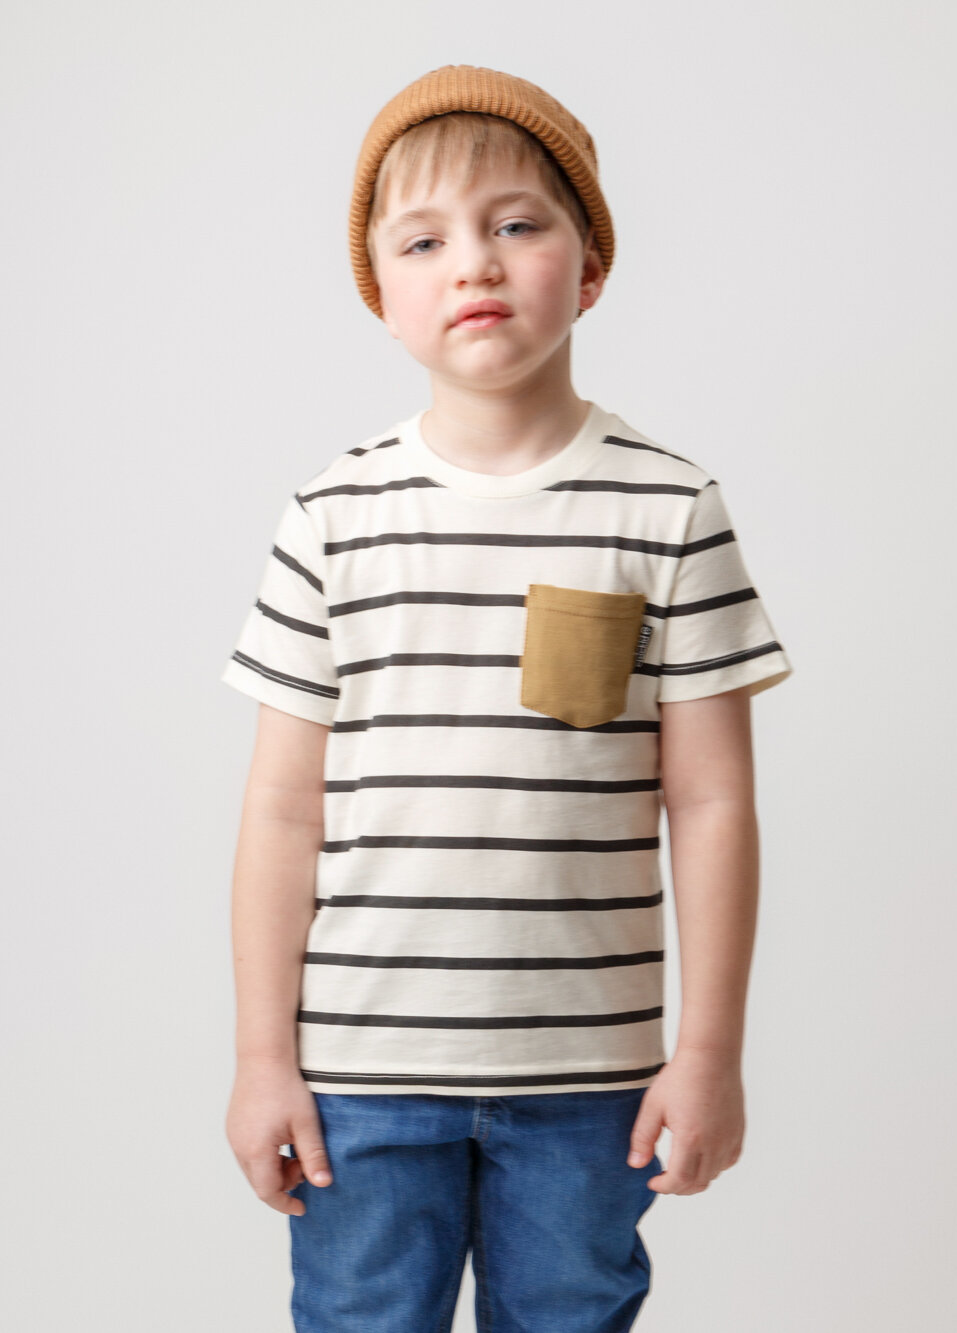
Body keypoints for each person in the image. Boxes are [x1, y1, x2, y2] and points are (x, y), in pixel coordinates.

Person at [220, 63, 793, 1333]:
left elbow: (711, 803)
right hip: (359, 1075)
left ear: (588, 267)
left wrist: (708, 1052)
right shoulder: (331, 515)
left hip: (591, 1077)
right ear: (382, 297)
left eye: (516, 224)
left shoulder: (668, 508)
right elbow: (280, 812)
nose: (473, 262)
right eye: (423, 240)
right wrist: (262, 1059)